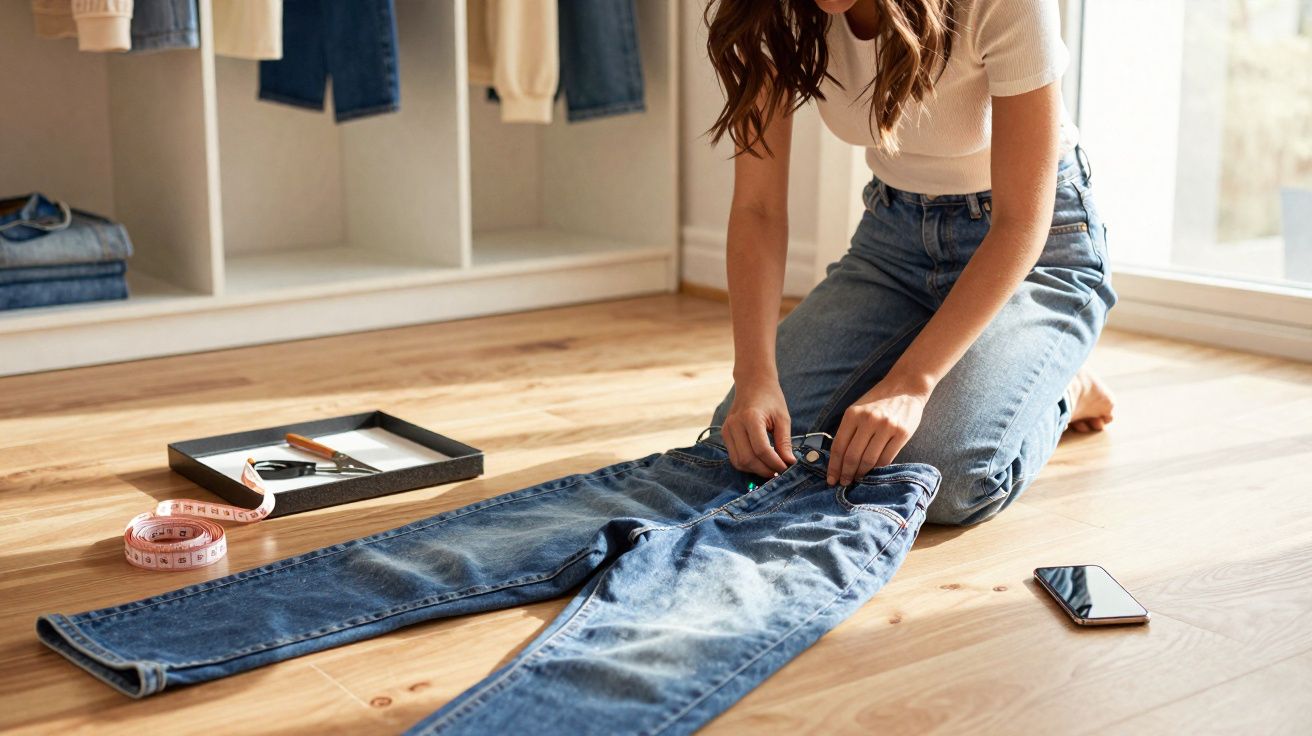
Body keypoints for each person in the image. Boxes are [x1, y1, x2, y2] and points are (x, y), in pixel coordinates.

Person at [704, 0, 1119, 526]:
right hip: (893, 240)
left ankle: (1064, 391)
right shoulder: (771, 11)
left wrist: (910, 383)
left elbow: (1020, 223)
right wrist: (754, 376)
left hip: (1035, 249)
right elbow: (758, 210)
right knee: (746, 442)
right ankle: (949, 358)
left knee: (946, 480)